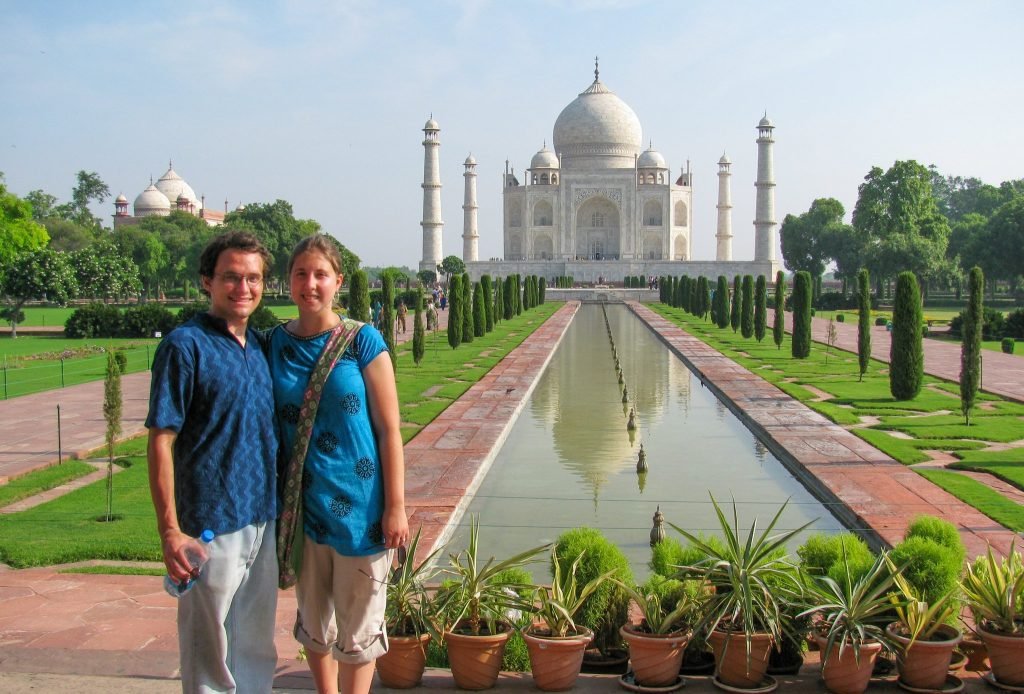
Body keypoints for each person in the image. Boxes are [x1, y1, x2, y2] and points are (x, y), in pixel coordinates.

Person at [269, 234, 408, 694]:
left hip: (362, 510)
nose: (310, 284)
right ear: (289, 281)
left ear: (338, 282)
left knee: (359, 628)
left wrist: (396, 507)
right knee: (314, 621)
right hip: (304, 510)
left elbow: (390, 430)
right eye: (301, 274)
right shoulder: (274, 344)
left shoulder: (362, 342)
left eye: (320, 275)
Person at [146, 230, 279, 693]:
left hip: (263, 516)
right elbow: (161, 439)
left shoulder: (260, 346)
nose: (243, 288)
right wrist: (169, 529)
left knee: (255, 644)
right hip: (210, 521)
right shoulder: (186, 346)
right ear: (208, 281)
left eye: (253, 278)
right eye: (231, 278)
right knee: (209, 652)